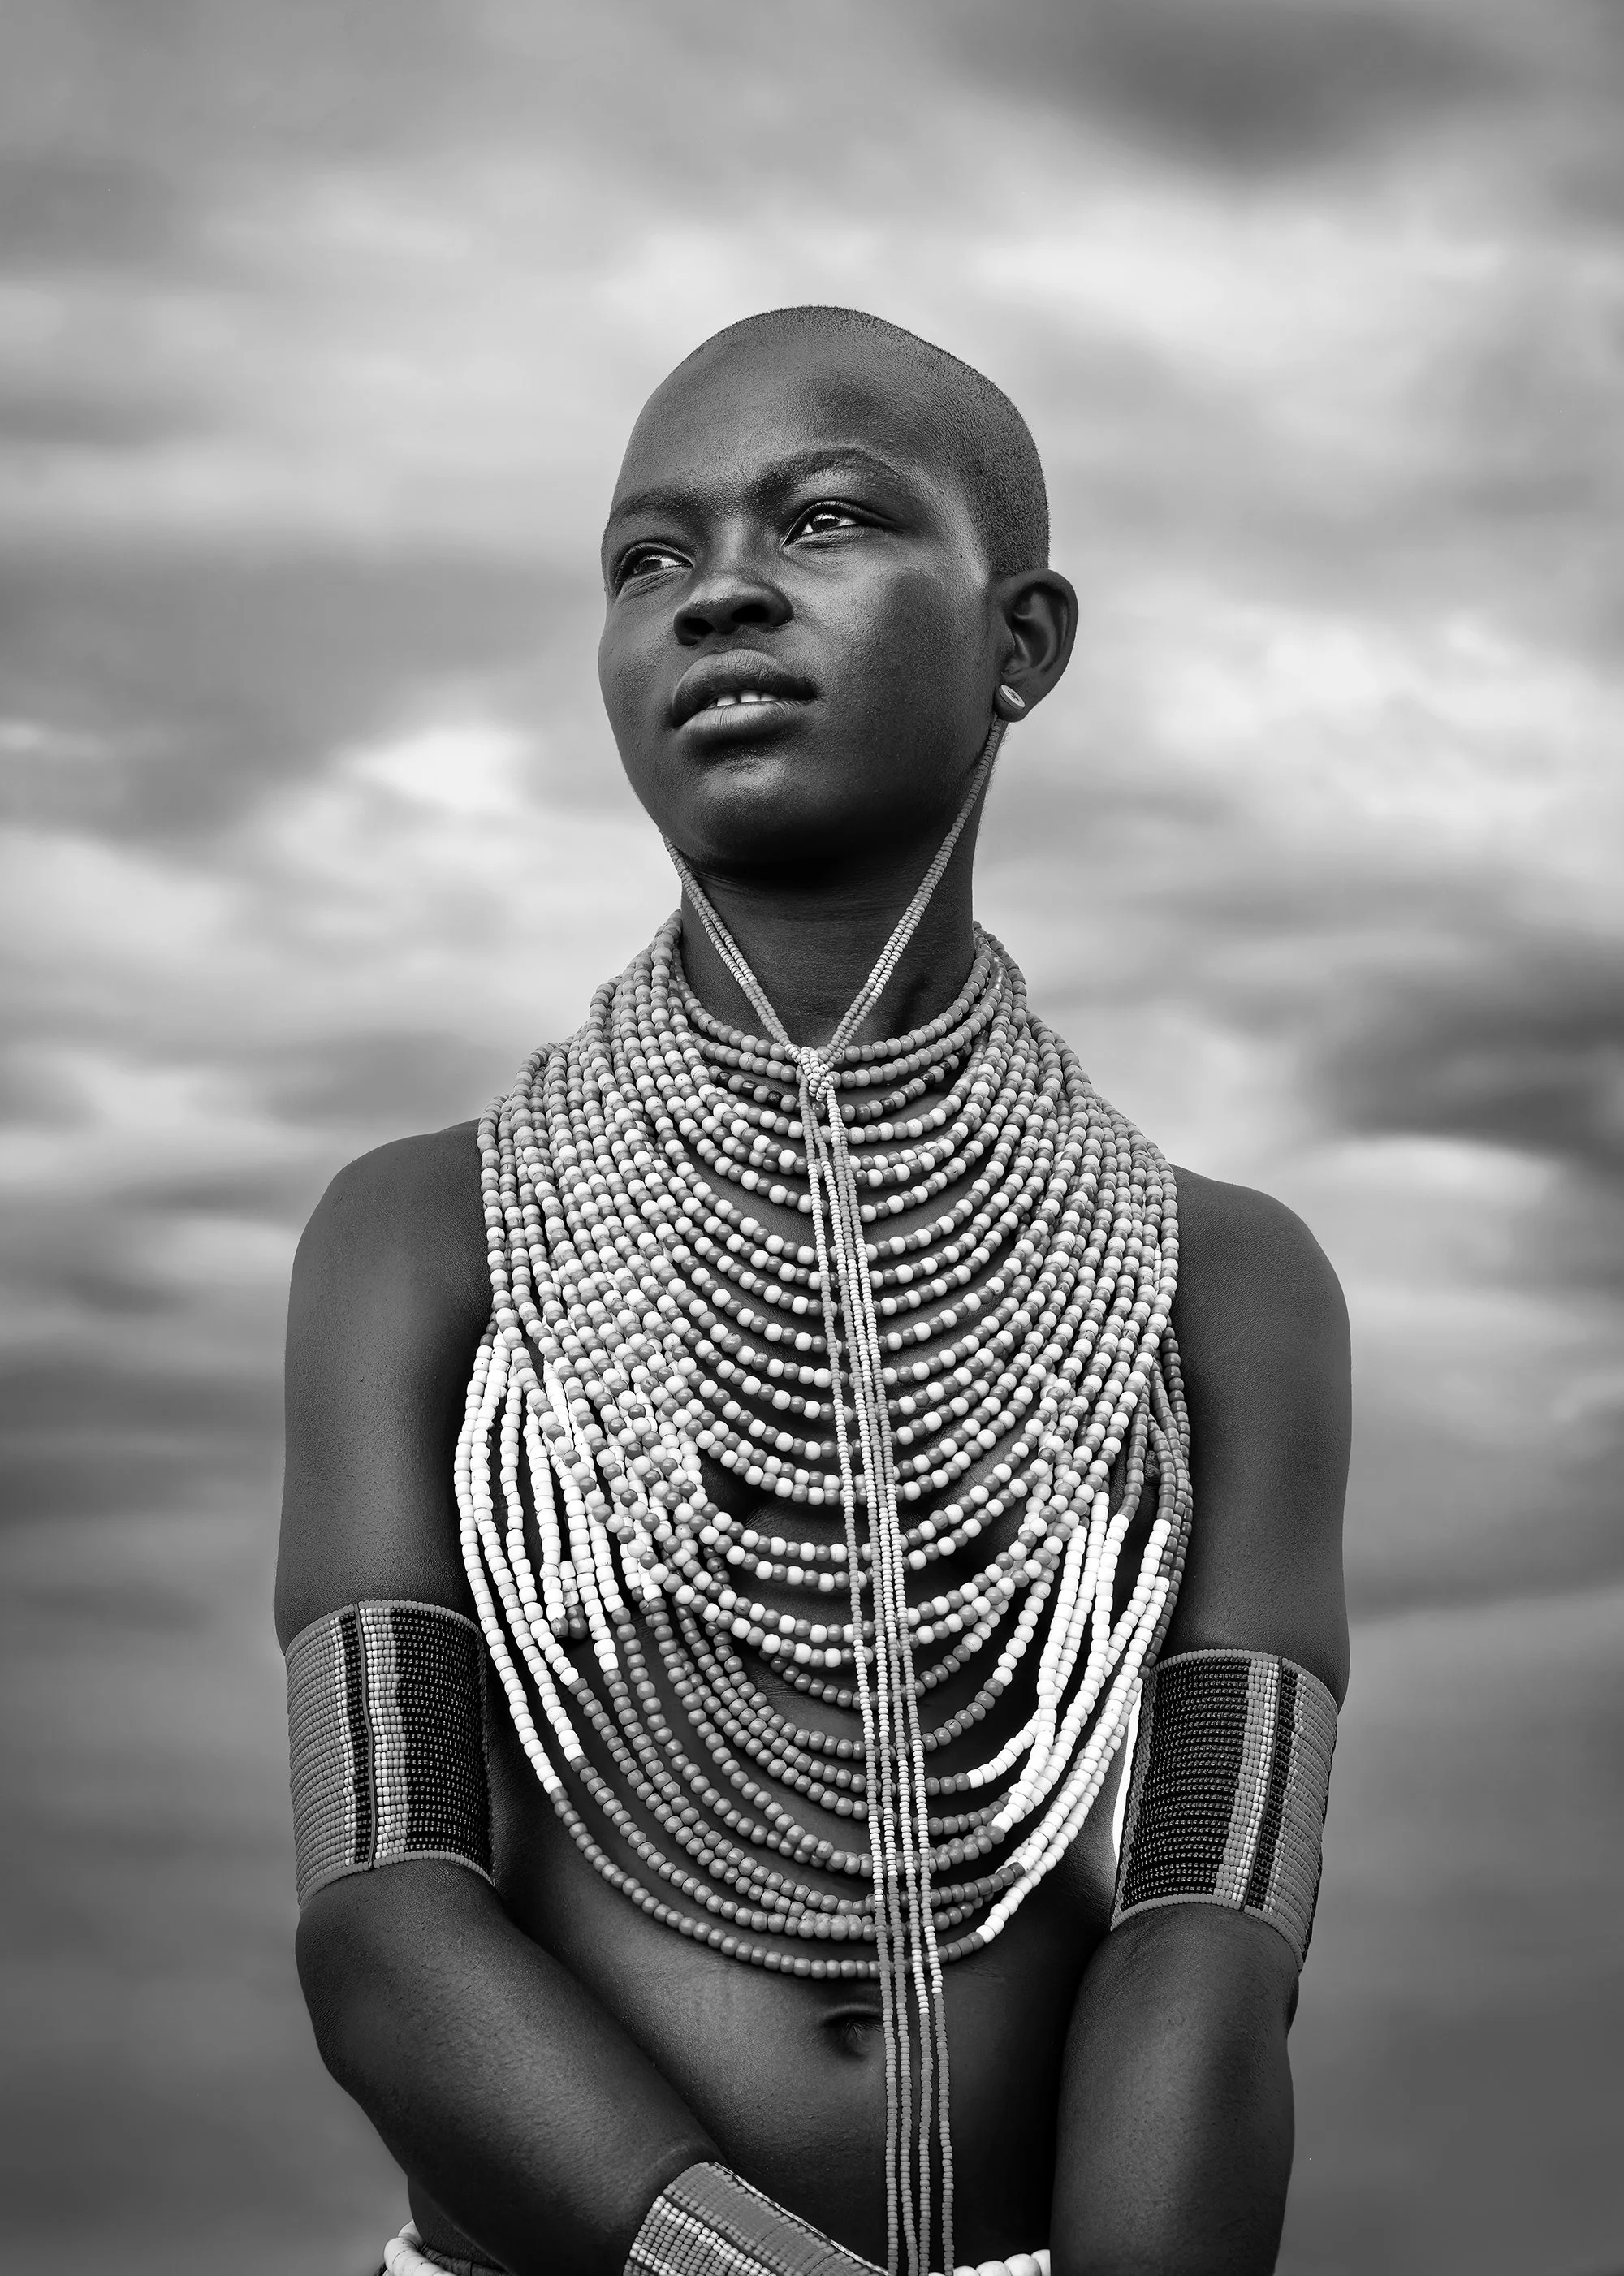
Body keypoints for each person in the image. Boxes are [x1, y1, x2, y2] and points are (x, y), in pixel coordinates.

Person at [276, 306, 1350, 2276]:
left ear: (1020, 641)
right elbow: (379, 1912)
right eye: (647, 560)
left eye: (827, 520)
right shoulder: (427, 1239)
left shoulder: (1225, 1282)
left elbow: (1212, 1926)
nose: (718, 599)